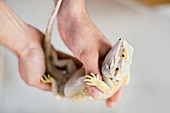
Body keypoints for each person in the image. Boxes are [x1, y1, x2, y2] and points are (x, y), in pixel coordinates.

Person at [0, 0, 123, 108]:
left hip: (63, 83)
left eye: (123, 56)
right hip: (71, 76)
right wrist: (74, 14)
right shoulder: (107, 75)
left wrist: (73, 11)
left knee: (59, 91)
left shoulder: (109, 79)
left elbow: (60, 93)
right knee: (66, 64)